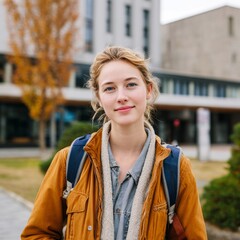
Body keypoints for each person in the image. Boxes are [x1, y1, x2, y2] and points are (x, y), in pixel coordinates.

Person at [21, 46, 207, 239]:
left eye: (131, 84)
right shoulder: (69, 161)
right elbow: (37, 234)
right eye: (109, 88)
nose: (121, 97)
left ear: (149, 90)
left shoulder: (176, 167)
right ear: (99, 98)